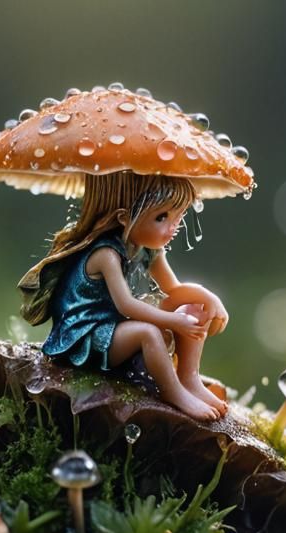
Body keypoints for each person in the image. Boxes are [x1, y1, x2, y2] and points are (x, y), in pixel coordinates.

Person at [19, 171, 229, 421]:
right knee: (147, 333)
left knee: (193, 306)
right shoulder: (106, 254)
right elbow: (126, 305)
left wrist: (208, 298)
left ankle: (188, 378)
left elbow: (173, 289)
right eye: (161, 217)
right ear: (124, 217)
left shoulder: (149, 249)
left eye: (179, 216)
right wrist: (173, 321)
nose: (172, 227)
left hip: (115, 324)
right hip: (88, 334)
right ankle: (173, 392)